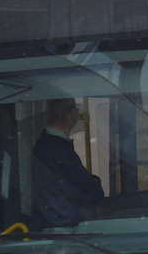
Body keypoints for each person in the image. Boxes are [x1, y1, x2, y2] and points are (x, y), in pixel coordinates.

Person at [31, 98, 104, 230]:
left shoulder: (45, 146)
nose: (76, 117)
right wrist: (95, 182)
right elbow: (89, 190)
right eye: (76, 111)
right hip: (65, 228)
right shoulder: (58, 150)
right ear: (70, 114)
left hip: (52, 225)